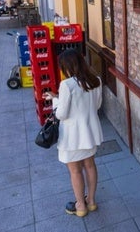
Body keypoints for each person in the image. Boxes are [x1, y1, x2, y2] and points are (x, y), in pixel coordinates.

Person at [44, 49, 103, 217]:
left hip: (72, 137)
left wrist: (55, 100)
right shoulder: (95, 80)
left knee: (75, 170)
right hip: (89, 133)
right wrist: (59, 97)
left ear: (67, 66)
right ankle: (91, 202)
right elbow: (96, 105)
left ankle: (80, 207)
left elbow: (61, 114)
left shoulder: (67, 85)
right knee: (90, 166)